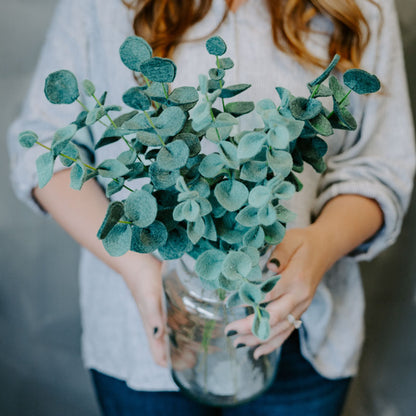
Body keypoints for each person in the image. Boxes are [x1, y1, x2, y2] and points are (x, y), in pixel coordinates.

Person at [7, 0, 415, 415]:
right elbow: (47, 149)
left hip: (299, 334)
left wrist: (320, 245)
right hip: (147, 333)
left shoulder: (359, 6)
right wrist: (140, 269)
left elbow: (380, 168)